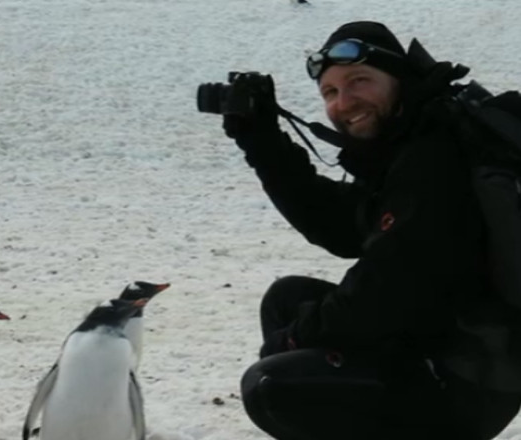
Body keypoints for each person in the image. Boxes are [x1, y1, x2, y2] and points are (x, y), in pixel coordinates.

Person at [223, 21, 521, 439]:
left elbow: (384, 290)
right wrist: (262, 141)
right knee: (288, 299)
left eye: (358, 81)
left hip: (470, 377)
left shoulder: (433, 159)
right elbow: (342, 225)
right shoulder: (412, 141)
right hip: (446, 340)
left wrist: (293, 341)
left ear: (397, 78)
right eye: (330, 92)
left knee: (276, 388)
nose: (344, 102)